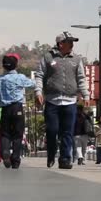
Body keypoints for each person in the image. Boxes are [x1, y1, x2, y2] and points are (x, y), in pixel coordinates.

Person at [35, 32, 90, 169]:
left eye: (73, 42)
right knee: (52, 130)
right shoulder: (48, 57)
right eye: (69, 42)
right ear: (60, 44)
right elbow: (39, 75)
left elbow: (81, 78)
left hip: (70, 101)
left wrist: (86, 94)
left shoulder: (77, 59)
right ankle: (51, 154)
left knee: (67, 132)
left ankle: (65, 159)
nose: (72, 45)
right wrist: (38, 91)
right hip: (52, 101)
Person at [0, 53, 35, 169]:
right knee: (17, 135)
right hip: (17, 108)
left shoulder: (0, 79)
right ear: (16, 65)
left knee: (5, 134)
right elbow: (32, 84)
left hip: (5, 109)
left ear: (4, 66)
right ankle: (15, 159)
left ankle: (5, 152)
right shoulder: (20, 77)